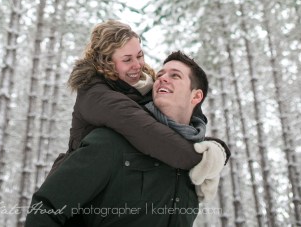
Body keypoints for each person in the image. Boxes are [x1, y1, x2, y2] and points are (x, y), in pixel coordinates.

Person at [25, 52, 229, 226]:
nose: (163, 78)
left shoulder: (198, 165)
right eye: (160, 75)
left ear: (196, 97)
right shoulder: (112, 141)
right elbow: (46, 208)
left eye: (175, 76)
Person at [48, 21, 225, 186]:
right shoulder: (96, 95)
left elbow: (185, 108)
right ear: (106, 62)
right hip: (81, 188)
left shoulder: (147, 85)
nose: (137, 65)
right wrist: (203, 160)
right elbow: (149, 133)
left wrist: (219, 148)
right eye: (127, 60)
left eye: (139, 55)